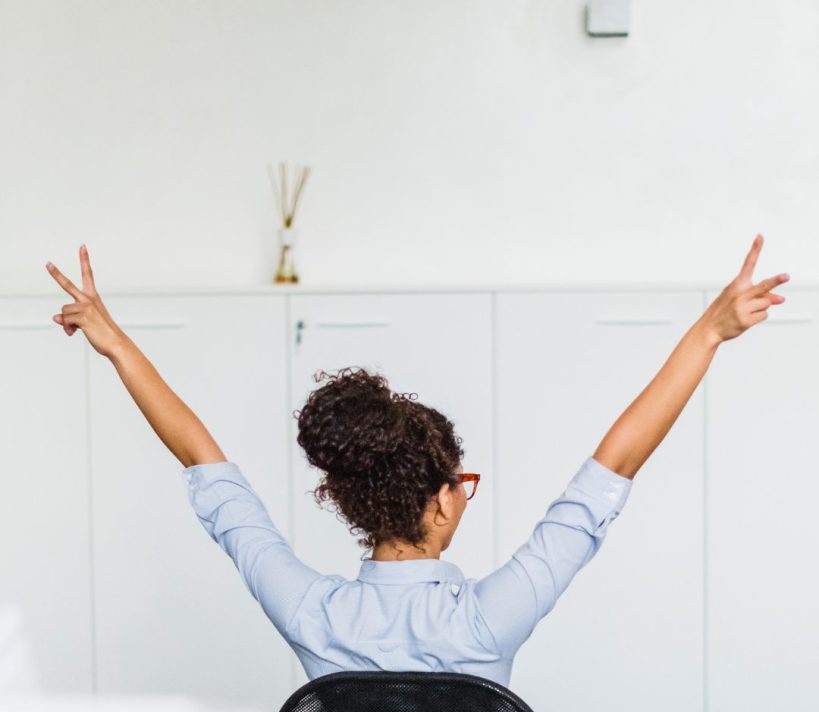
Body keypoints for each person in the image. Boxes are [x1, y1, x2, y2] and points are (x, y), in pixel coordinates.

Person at [46, 239, 788, 685]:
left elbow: (205, 465)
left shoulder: (312, 614)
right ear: (438, 501)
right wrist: (708, 334)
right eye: (461, 485)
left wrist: (116, 345)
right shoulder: (489, 619)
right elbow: (614, 467)